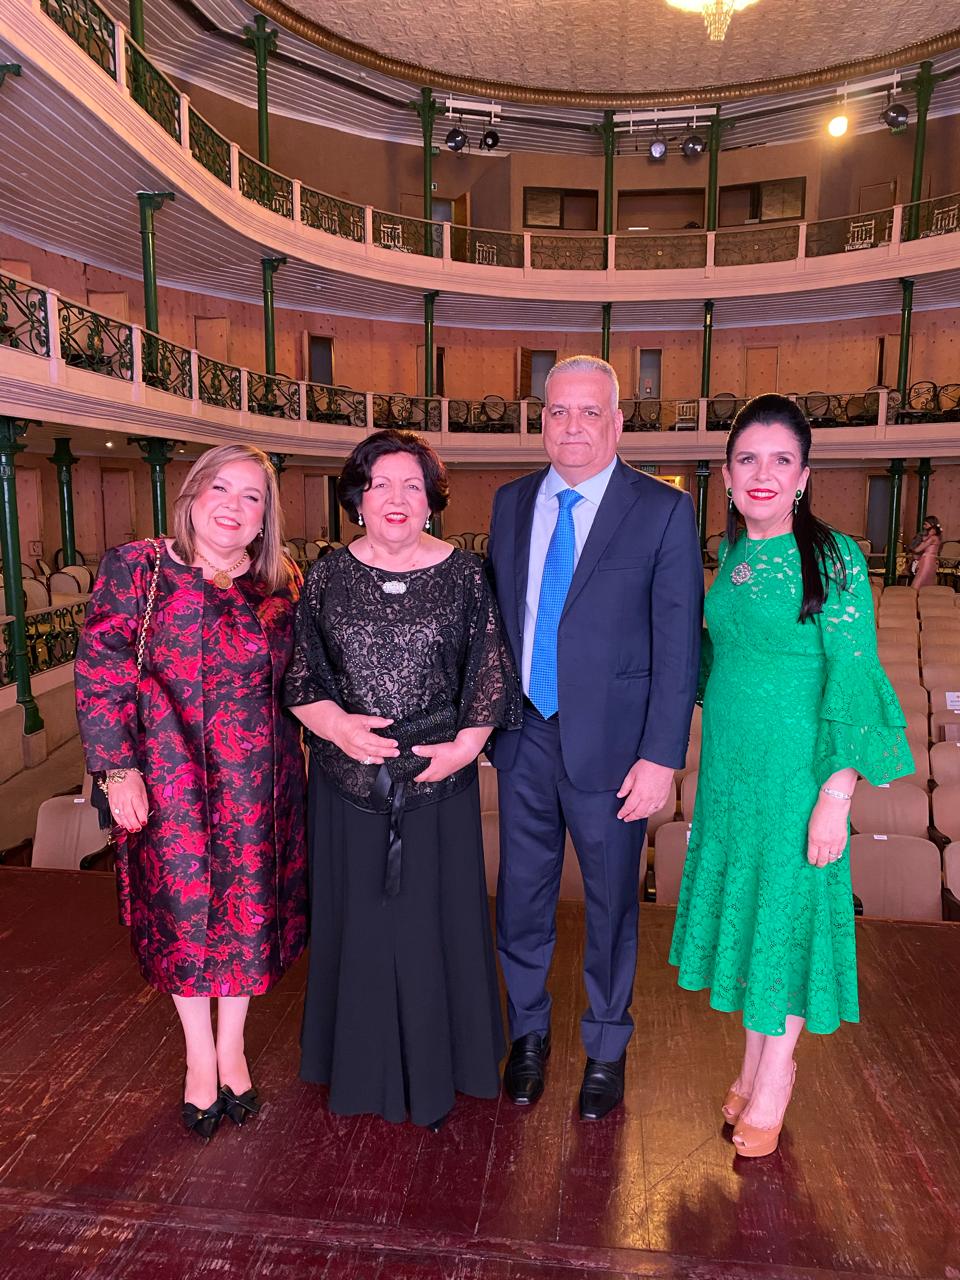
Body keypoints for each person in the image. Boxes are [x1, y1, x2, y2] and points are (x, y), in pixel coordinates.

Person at [669, 394, 913, 1157]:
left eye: (781, 460)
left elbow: (855, 673)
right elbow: (717, 663)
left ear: (804, 475)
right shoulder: (733, 554)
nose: (763, 474)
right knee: (755, 916)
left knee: (789, 919)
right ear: (726, 473)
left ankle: (778, 1073)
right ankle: (753, 1058)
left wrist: (836, 795)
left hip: (799, 773)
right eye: (748, 459)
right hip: (733, 770)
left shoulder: (833, 555)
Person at [486, 355, 703, 1121]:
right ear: (540, 420)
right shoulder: (510, 504)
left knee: (611, 908)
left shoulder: (663, 511)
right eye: (556, 412)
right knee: (521, 903)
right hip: (525, 740)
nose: (570, 426)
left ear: (617, 422)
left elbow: (678, 647)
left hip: (616, 754)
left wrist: (661, 757)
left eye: (588, 413)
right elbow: (496, 629)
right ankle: (531, 1037)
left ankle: (606, 1048)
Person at [284, 429, 520, 1130]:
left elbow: (489, 670)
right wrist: (338, 729)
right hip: (347, 784)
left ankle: (443, 1065)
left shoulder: (468, 575)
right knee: (357, 928)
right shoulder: (325, 574)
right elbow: (300, 673)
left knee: (428, 929)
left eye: (412, 485)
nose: (396, 498)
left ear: (431, 500)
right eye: (381, 484)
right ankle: (354, 1068)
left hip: (437, 784)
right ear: (356, 498)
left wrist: (466, 748)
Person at [75, 444, 307, 1140]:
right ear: (191, 495)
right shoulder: (139, 567)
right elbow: (101, 669)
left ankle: (232, 1046)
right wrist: (117, 770)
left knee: (246, 919)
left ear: (266, 516)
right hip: (166, 777)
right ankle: (197, 1058)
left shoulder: (280, 582)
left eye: (252, 497)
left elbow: (302, 680)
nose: (234, 507)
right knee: (181, 917)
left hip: (259, 782)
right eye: (222, 489)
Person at [910, 515, 943, 590]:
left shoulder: (932, 538)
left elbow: (918, 549)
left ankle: (914, 599)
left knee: (918, 582)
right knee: (927, 581)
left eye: (926, 524)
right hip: (931, 560)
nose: (924, 526)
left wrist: (913, 547)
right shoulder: (936, 537)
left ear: (931, 525)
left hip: (927, 560)